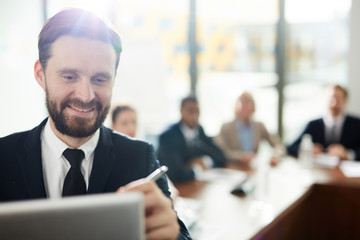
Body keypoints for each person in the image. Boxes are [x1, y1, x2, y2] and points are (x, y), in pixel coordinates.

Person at [0, 8, 191, 240]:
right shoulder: (4, 157)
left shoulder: (140, 158)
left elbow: (178, 234)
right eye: (69, 76)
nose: (86, 95)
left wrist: (169, 235)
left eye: (100, 79)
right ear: (41, 74)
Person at [157, 96, 227, 183]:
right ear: (181, 111)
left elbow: (221, 157)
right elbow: (176, 174)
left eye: (197, 112)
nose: (195, 116)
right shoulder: (168, 136)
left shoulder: (199, 130)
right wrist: (197, 169)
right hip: (174, 187)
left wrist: (206, 162)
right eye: (190, 111)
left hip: (193, 184)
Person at [287, 84, 360, 161]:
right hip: (319, 170)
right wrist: (308, 150)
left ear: (345, 101)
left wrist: (348, 154)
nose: (334, 103)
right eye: (331, 98)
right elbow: (291, 147)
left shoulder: (357, 125)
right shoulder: (313, 125)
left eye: (338, 99)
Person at [214, 91, 281, 166]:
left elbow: (278, 145)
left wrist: (275, 156)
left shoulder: (259, 126)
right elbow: (220, 151)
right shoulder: (226, 127)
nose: (244, 105)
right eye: (241, 102)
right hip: (234, 168)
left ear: (253, 106)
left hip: (253, 168)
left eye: (248, 102)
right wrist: (240, 156)